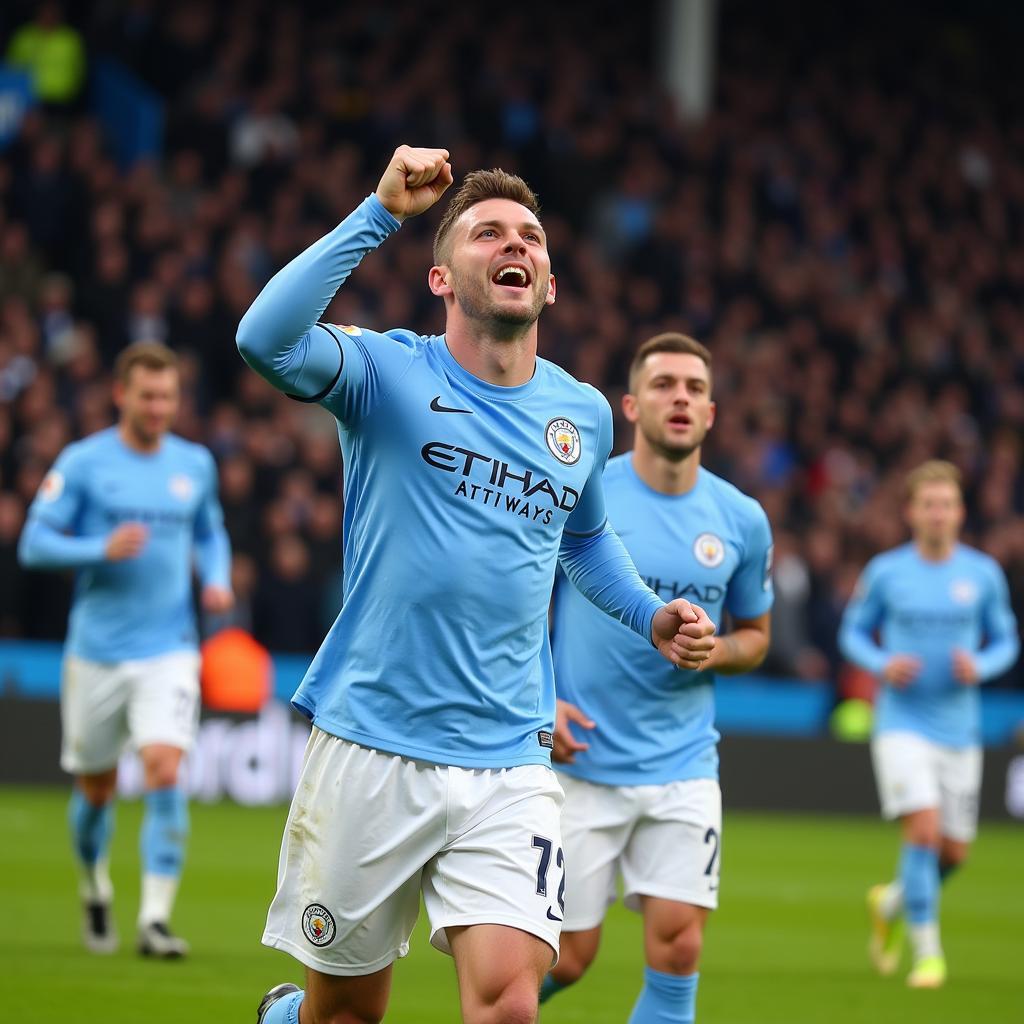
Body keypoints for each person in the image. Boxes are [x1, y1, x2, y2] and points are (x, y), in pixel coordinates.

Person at [235, 146, 717, 1024]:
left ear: (550, 283)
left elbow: (588, 540)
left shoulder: (581, 414)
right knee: (344, 1015)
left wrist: (650, 615)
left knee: (509, 1008)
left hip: (508, 757)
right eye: (487, 232)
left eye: (530, 236)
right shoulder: (387, 374)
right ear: (441, 277)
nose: (515, 244)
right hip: (373, 742)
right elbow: (263, 339)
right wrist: (379, 211)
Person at [540, 333, 774, 1023]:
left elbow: (757, 638)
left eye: (695, 388)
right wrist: (539, 697)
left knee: (678, 948)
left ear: (711, 414)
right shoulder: (583, 488)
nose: (680, 397)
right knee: (568, 957)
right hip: (581, 760)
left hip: (683, 763)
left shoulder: (742, 520)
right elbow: (518, 596)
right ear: (631, 406)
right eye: (665, 384)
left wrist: (718, 651)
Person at [18, 341, 233, 958]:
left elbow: (210, 530)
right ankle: (94, 888)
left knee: (166, 767)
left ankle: (155, 921)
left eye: (168, 396)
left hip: (170, 647)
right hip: (97, 651)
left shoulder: (193, 464)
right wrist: (97, 549)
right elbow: (34, 543)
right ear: (122, 395)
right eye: (148, 395)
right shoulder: (84, 463)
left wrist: (215, 578)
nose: (159, 406)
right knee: (96, 789)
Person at [839, 460, 1019, 989]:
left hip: (959, 729)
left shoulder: (982, 574)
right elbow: (854, 634)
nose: (938, 514)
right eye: (928, 505)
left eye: (946, 504)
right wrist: (881, 664)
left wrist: (980, 665)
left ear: (960, 512)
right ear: (911, 512)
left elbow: (1006, 639)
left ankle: (892, 899)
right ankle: (928, 954)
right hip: (901, 722)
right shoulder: (887, 572)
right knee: (921, 829)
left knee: (953, 851)